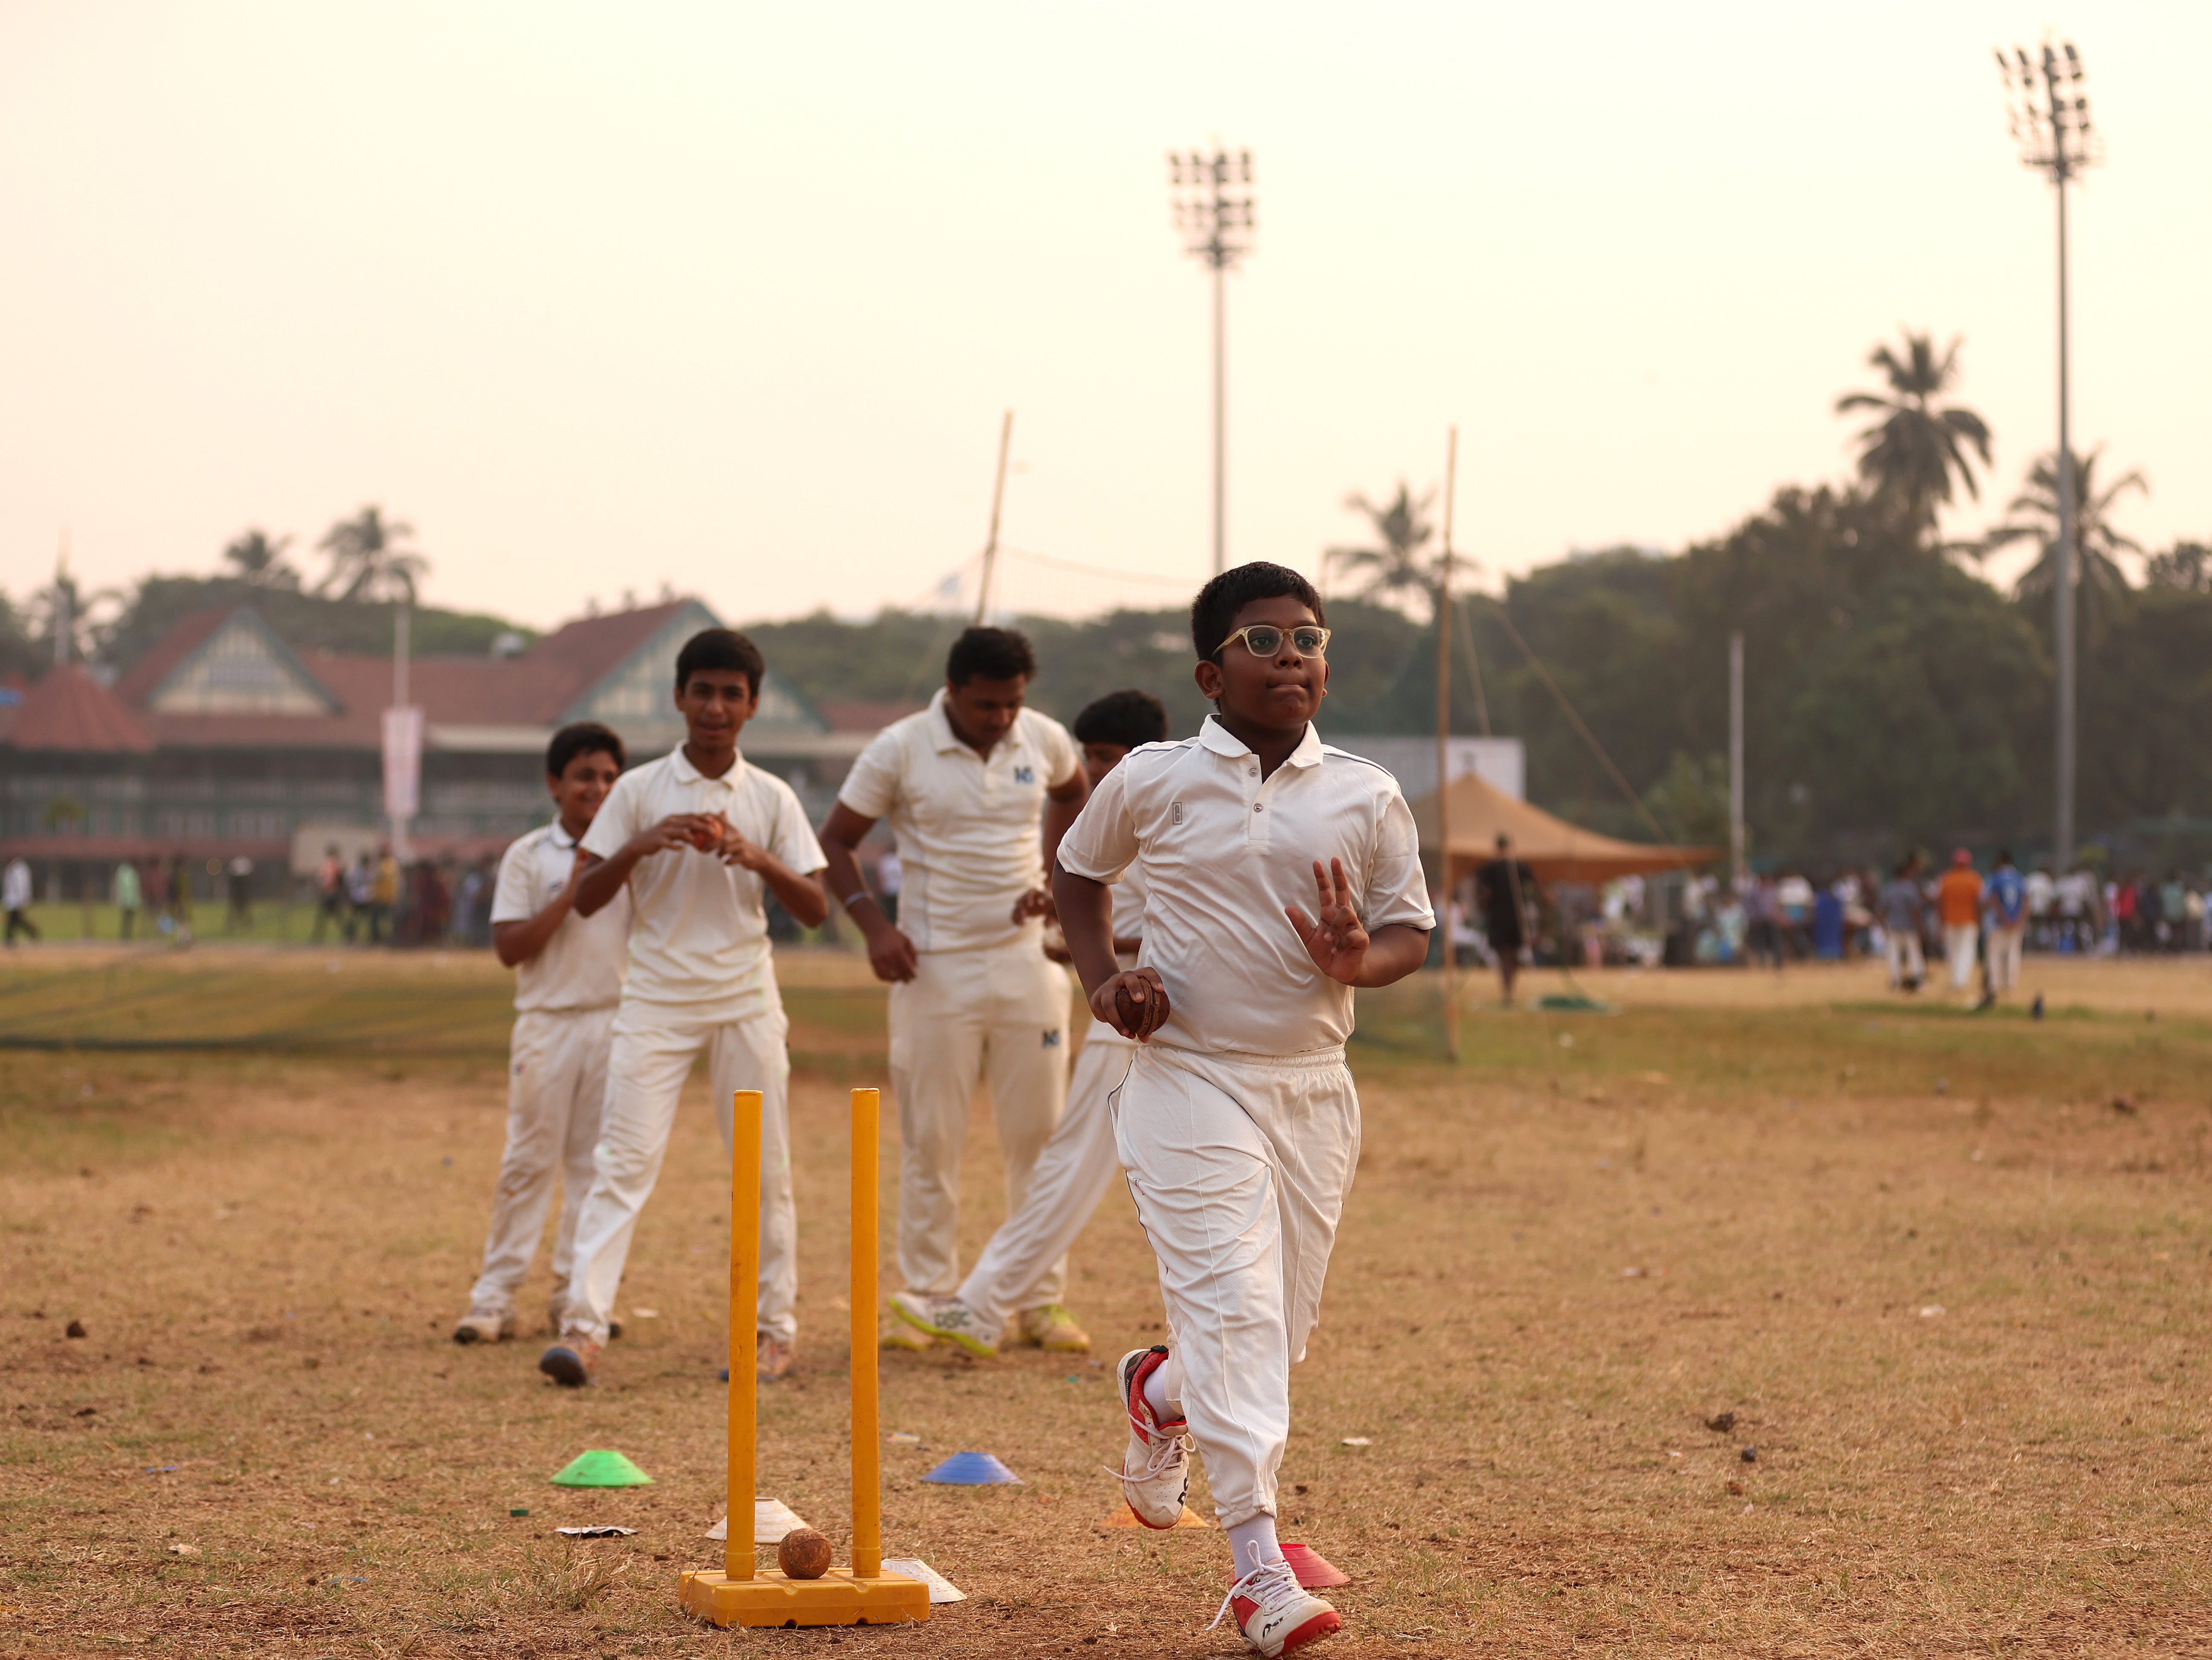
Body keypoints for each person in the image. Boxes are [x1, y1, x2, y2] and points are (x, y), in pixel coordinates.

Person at [1055, 562, 1432, 1657]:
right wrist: (1100, 982)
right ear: (1208, 670)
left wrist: (1360, 961)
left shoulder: (1363, 792)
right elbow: (1079, 874)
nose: (1293, 661)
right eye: (1264, 644)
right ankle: (1256, 1571)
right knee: (1236, 1312)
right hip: (1184, 1077)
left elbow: (1408, 932)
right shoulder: (1156, 778)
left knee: (1270, 1333)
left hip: (1312, 1090)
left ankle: (1158, 1392)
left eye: (1309, 641)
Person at [539, 630, 829, 1388]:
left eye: (732, 693)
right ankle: (582, 1326)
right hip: (656, 999)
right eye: (702, 690)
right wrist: (638, 845)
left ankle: (773, 1330)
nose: (715, 706)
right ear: (678, 697)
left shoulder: (770, 796)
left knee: (763, 1170)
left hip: (744, 998)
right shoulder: (636, 790)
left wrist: (757, 856)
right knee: (623, 1163)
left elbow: (814, 908)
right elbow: (587, 896)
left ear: (753, 706)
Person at [818, 626, 1090, 1355]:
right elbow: (836, 840)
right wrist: (872, 925)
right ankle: (929, 1298)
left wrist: (1058, 879)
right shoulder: (899, 747)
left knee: (1040, 1140)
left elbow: (1074, 793)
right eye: (985, 706)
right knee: (932, 1140)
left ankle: (1039, 1300)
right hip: (931, 968)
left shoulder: (1043, 737)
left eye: (1011, 704)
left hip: (1026, 963)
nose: (1000, 719)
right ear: (951, 691)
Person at [886, 688, 1167, 1358]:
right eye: (1089, 758)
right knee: (1077, 1166)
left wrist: (1094, 936)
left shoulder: (1165, 813)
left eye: (1109, 756)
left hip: (1152, 1020)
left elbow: (1169, 934)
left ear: (1146, 752)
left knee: (1071, 1164)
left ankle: (982, 1307)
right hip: (1137, 1018)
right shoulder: (1117, 816)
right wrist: (1063, 921)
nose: (1097, 770)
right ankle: (988, 1306)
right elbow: (1081, 939)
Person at [455, 723, 633, 1347]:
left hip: (615, 1024)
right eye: (585, 776)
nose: (598, 788)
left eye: (610, 777)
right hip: (547, 1023)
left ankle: (575, 1297)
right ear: (555, 784)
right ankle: (493, 1298)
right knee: (529, 1162)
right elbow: (510, 948)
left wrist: (610, 868)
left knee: (595, 1169)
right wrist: (574, 889)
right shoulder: (530, 855)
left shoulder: (631, 855)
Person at [1474, 834, 1535, 1007]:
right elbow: (1533, 887)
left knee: (1505, 957)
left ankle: (1507, 991)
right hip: (1516, 918)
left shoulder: (1490, 868)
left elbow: (1484, 893)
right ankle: (1508, 991)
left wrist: (1483, 908)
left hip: (1499, 918)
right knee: (1512, 956)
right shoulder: (1519, 867)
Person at [1936, 848, 1983, 995]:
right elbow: (1979, 903)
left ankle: (1955, 979)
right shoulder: (1974, 879)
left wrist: (1941, 922)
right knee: (1966, 952)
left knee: (1953, 952)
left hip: (1950, 920)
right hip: (1969, 920)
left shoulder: (1946, 879)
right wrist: (1979, 921)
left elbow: (1940, 903)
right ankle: (1961, 980)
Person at [1983, 848, 2027, 997]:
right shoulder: (2019, 878)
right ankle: (2010, 985)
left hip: (1998, 924)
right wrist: (2019, 920)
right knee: (2013, 954)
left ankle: (1995, 984)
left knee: (1995, 954)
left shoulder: (1996, 878)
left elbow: (1993, 900)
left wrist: (2003, 918)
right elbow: (2026, 901)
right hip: (2016, 924)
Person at [1881, 856, 1925, 992]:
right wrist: (1920, 927)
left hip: (1893, 926)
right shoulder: (1910, 888)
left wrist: (1883, 925)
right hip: (1909, 926)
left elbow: (1882, 909)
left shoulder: (1889, 889)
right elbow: (1915, 910)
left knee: (1894, 954)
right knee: (1914, 953)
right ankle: (1916, 978)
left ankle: (1896, 979)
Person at [312, 846, 345, 943]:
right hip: (333, 893)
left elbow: (321, 880)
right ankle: (349, 936)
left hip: (327, 893)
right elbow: (339, 879)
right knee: (337, 917)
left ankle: (317, 938)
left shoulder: (326, 865)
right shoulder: (334, 864)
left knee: (325, 918)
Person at [3, 856, 37, 946]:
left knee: (14, 920)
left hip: (17, 900)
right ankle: (32, 932)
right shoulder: (10, 869)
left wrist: (23, 900)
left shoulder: (19, 870)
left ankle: (10, 939)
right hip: (11, 900)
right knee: (16, 920)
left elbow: (22, 886)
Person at [369, 846, 400, 943]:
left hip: (387, 898)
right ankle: (377, 938)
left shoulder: (390, 864)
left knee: (389, 920)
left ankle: (390, 938)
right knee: (377, 919)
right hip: (380, 898)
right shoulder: (382, 864)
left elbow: (382, 877)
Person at [112, 858, 141, 940]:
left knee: (128, 919)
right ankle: (125, 936)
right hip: (128, 900)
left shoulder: (127, 872)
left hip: (129, 900)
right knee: (127, 919)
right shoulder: (130, 872)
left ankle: (127, 936)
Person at [225, 855, 254, 934]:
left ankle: (246, 924)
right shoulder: (236, 881)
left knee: (244, 909)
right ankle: (233, 925)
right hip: (237, 895)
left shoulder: (244, 880)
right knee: (235, 910)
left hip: (243, 896)